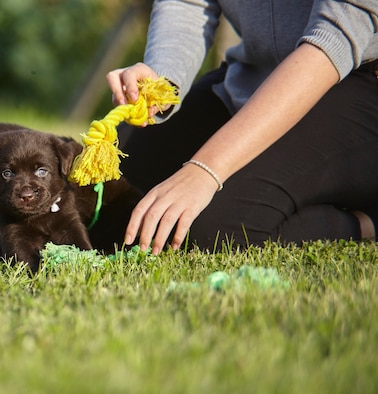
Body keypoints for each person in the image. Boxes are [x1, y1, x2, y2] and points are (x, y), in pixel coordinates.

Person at [106, 0, 378, 255]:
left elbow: (336, 37)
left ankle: (367, 222)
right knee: (113, 190)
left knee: (211, 230)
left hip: (355, 83)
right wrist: (160, 84)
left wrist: (204, 170)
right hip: (254, 77)